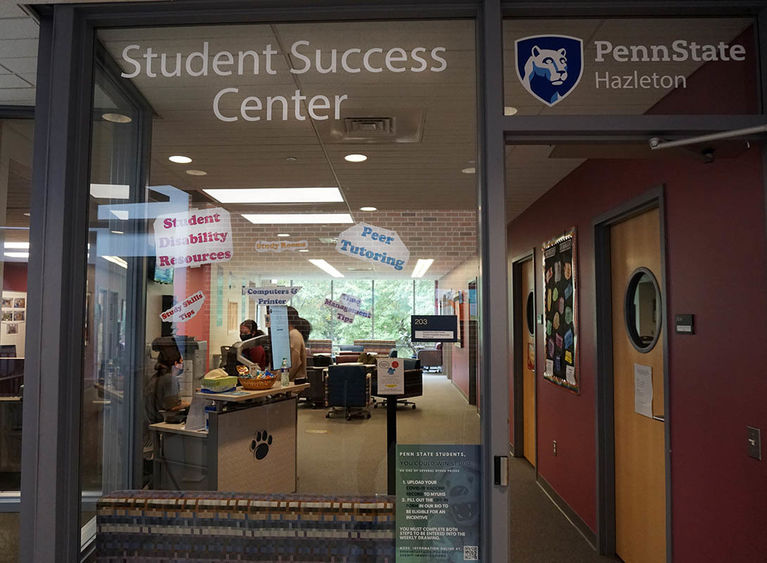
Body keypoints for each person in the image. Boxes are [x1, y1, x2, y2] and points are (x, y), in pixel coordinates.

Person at [286, 306, 310, 381]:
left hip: (293, 385)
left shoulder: (294, 335)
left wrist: (278, 380)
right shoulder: (291, 334)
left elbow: (294, 363)